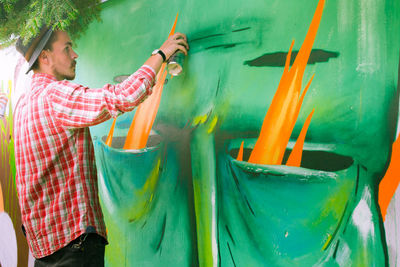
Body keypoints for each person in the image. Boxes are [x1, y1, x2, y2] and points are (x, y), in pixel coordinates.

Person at [13, 25, 189, 266]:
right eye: (67, 48)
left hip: (43, 250)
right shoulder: (55, 96)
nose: (74, 55)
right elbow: (121, 97)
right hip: (73, 249)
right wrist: (160, 55)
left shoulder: (23, 103)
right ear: (45, 58)